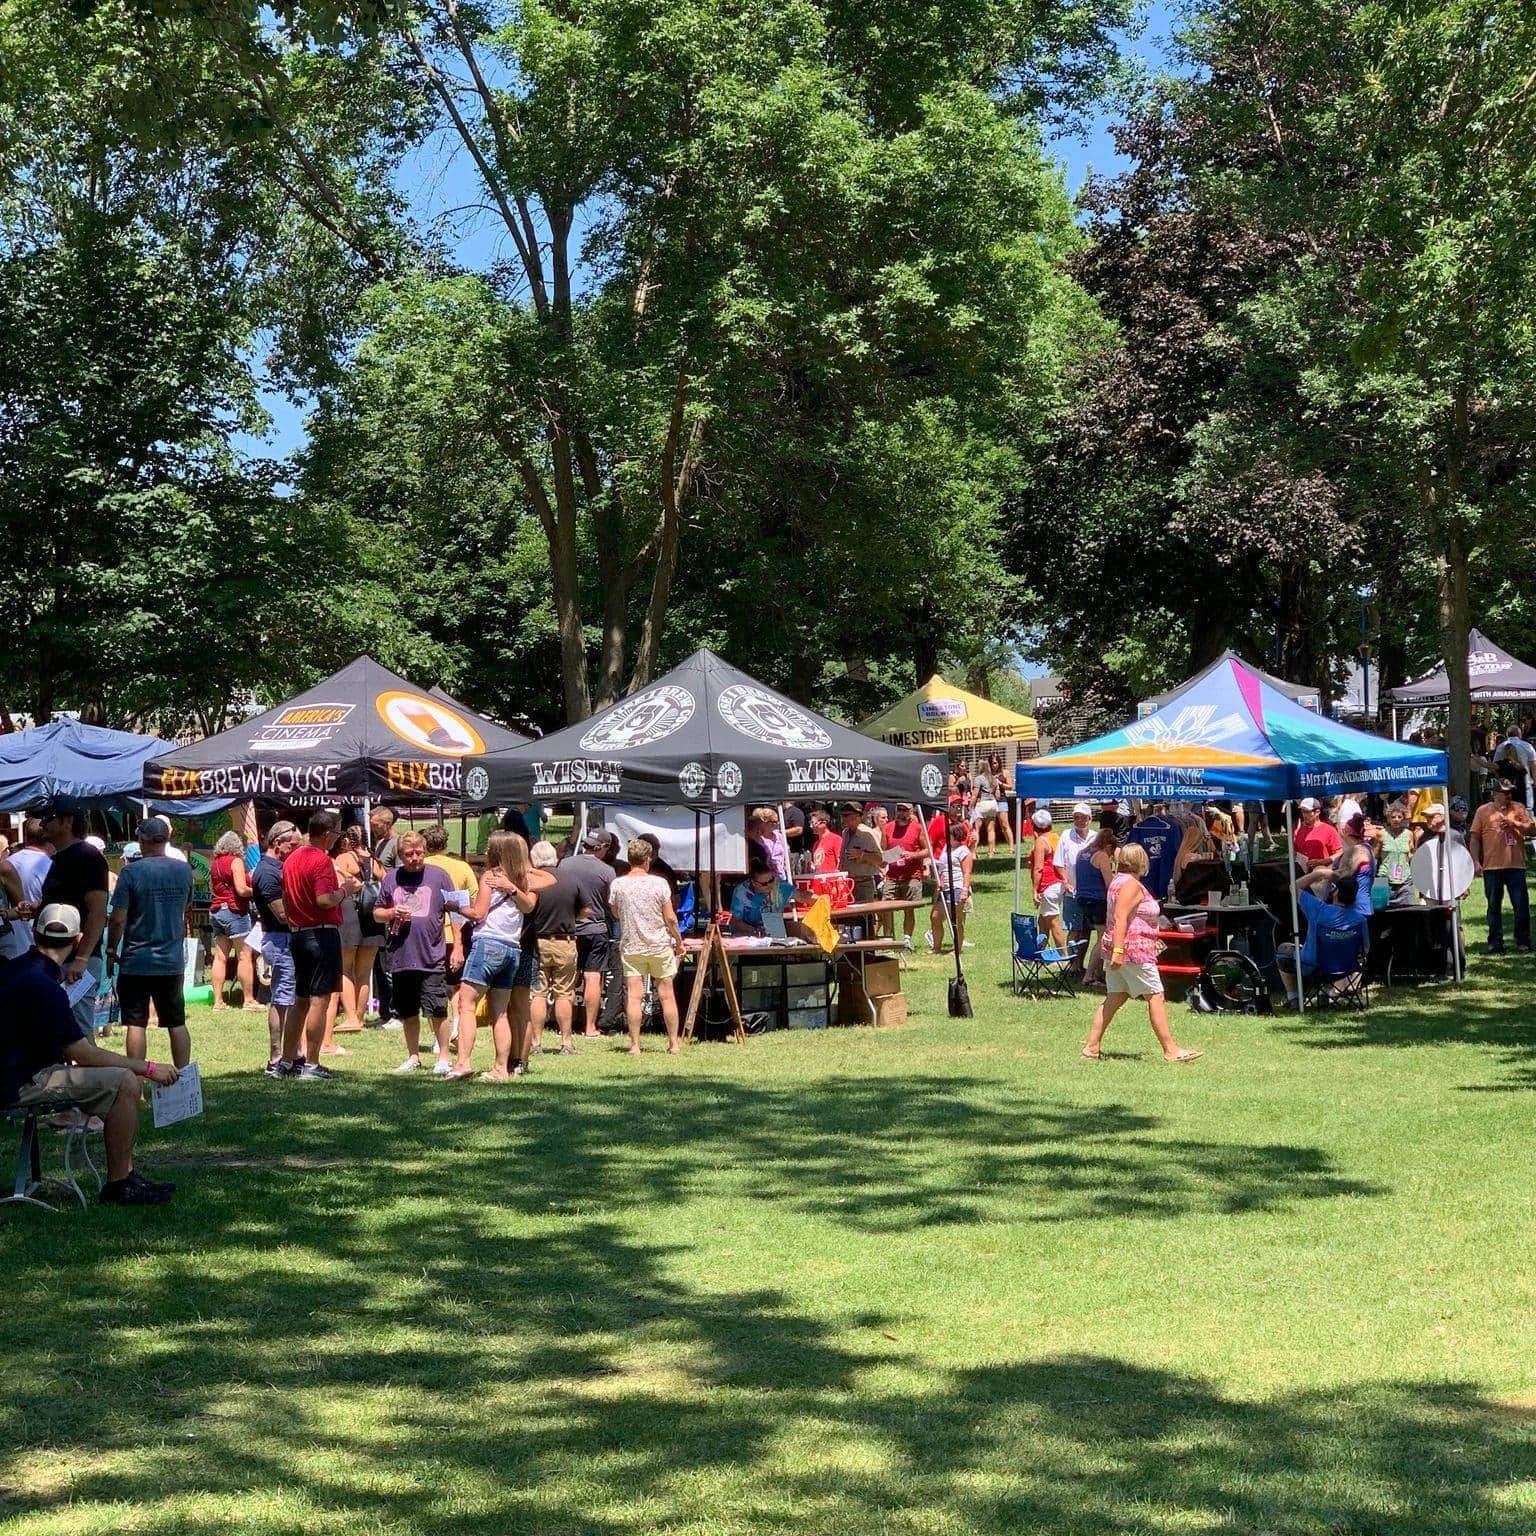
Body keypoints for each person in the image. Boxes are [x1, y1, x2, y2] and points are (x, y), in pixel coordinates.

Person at [0, 903, 181, 1205]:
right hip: (19, 1082)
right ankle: (119, 1184)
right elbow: (82, 1053)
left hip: (16, 1071)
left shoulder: (12, 969)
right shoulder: (46, 986)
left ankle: (126, 1175)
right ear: (78, 940)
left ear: (34, 933)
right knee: (125, 1081)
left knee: (121, 1080)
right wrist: (147, 1068)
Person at [1082, 845, 1202, 1063]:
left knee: (1115, 997)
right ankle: (1171, 1050)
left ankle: (1091, 1047)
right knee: (1156, 995)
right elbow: (1120, 917)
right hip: (1133, 950)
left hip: (1121, 949)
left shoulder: (1117, 882)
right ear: (1140, 861)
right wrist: (1119, 950)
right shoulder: (1131, 885)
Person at [455, 831, 551, 1079]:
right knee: (500, 1012)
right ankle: (501, 1068)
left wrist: (455, 906)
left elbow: (479, 914)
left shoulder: (491, 876)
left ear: (497, 851)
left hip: (488, 944)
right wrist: (515, 884)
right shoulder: (524, 880)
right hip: (512, 949)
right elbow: (535, 898)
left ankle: (463, 1063)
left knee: (466, 1004)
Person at [107, 817, 195, 1070]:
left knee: (136, 1023)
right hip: (171, 959)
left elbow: (118, 918)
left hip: (137, 959)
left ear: (142, 841)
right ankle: (183, 1075)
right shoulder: (183, 870)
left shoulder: (130, 872)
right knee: (176, 1022)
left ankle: (135, 1080)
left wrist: (112, 949)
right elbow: (187, 907)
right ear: (166, 839)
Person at [279, 809, 358, 1079]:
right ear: (326, 834)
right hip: (320, 934)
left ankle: (287, 1061)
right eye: (336, 834)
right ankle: (311, 1063)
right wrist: (347, 890)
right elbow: (324, 899)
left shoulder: (291, 859)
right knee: (319, 1001)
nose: (338, 839)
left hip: (298, 933)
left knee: (300, 1000)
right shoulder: (321, 861)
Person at [377, 831, 458, 1075]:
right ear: (400, 856)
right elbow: (376, 912)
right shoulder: (391, 878)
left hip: (431, 954)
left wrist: (459, 947)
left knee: (437, 1008)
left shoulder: (439, 876)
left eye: (419, 853)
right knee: (407, 1010)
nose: (415, 858)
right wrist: (392, 913)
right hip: (401, 955)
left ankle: (444, 1056)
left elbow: (455, 910)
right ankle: (413, 1056)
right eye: (409, 854)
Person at [38, 802, 111, 1039]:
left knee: (79, 1034)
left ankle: (98, 1076)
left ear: (67, 822)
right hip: (59, 959)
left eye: (48, 818)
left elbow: (98, 913)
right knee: (59, 1030)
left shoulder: (88, 857)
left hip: (77, 962)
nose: (42, 824)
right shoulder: (59, 858)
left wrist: (82, 958)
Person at [607, 837, 684, 1055]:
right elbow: (670, 918)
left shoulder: (618, 884)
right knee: (667, 995)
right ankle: (673, 1044)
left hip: (632, 945)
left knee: (634, 995)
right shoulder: (660, 883)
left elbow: (615, 913)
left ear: (629, 859)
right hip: (659, 944)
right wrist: (678, 941)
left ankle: (634, 1045)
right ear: (648, 860)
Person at [251, 821, 301, 1076]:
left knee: (293, 999)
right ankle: (276, 1058)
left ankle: (295, 1053)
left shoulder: (280, 867)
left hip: (287, 940)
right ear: (277, 843)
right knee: (282, 998)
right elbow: (283, 915)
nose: (296, 850)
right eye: (293, 845)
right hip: (280, 940)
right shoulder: (267, 872)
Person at [1280, 867, 1371, 1005]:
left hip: (1313, 966)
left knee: (1283, 950)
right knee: (1341, 952)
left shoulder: (1318, 909)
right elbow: (1365, 948)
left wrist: (1320, 873)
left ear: (1336, 892)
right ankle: (1325, 991)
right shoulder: (1360, 920)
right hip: (1345, 968)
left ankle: (1293, 997)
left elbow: (1294, 887)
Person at [525, 839, 581, 1055]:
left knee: (537, 993)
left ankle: (536, 1043)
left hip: (536, 941)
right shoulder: (570, 879)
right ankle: (566, 1043)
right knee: (564, 992)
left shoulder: (530, 880)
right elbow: (586, 910)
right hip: (564, 941)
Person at [423, 823, 478, 1036]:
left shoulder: (421, 866)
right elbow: (473, 898)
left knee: (431, 986)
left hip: (429, 934)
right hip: (458, 932)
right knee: (455, 985)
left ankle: (439, 1035)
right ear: (446, 843)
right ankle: (456, 1025)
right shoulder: (462, 867)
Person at [562, 828, 617, 1039]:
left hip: (569, 929)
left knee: (568, 978)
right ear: (601, 847)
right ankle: (590, 1027)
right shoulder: (607, 871)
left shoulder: (565, 864)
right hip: (596, 929)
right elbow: (610, 904)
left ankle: (566, 1027)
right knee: (593, 977)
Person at [1469, 779, 1534, 954]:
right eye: (1505, 792)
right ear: (1495, 794)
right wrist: (1475, 861)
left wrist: (1516, 824)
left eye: (1510, 792)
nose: (1508, 796)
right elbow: (1475, 838)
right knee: (1493, 906)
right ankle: (1495, 943)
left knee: (1521, 905)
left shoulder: (1518, 808)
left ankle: (1523, 941)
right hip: (1492, 867)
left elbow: (1532, 829)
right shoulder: (1483, 811)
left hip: (1516, 865)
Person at [331, 823, 382, 1041]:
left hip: (350, 912)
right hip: (373, 916)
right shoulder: (374, 861)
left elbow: (340, 886)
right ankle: (360, 1017)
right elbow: (385, 879)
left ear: (345, 840)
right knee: (364, 971)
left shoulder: (342, 860)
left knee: (345, 969)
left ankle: (351, 1017)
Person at [208, 830, 259, 1012]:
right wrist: (257, 890)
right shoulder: (235, 861)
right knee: (244, 956)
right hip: (234, 911)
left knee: (220, 957)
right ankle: (248, 1000)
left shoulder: (215, 863)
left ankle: (218, 1002)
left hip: (216, 911)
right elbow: (241, 889)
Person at [1074, 826, 1119, 984]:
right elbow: (1110, 884)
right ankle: (1089, 976)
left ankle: (1096, 974)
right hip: (1097, 900)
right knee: (1102, 938)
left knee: (1088, 936)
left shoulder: (1082, 853)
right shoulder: (1101, 856)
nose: (1111, 856)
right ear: (1108, 846)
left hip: (1081, 899)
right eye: (1112, 852)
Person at [2, 818, 51, 958]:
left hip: (12, 947)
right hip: (38, 949)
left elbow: (20, 910)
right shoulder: (53, 867)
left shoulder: (6, 866)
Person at [880, 803, 926, 949]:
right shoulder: (887, 828)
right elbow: (883, 850)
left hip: (912, 875)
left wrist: (913, 855)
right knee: (885, 906)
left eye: (905, 811)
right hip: (892, 875)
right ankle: (888, 939)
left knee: (909, 908)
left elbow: (927, 850)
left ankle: (907, 940)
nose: (902, 814)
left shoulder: (918, 828)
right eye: (899, 810)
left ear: (911, 812)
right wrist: (887, 857)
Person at [369, 805, 400, 1026]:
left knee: (390, 964)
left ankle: (396, 1012)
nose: (372, 829)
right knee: (380, 964)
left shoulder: (397, 844)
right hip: (380, 908)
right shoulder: (380, 843)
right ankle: (385, 1012)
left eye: (375, 825)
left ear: (386, 824)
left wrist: (377, 868)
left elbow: (399, 877)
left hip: (393, 910)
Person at [929, 819, 975, 955]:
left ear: (956, 834)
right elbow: (943, 867)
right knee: (935, 917)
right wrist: (940, 880)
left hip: (957, 887)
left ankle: (957, 949)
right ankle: (937, 948)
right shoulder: (946, 848)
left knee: (956, 919)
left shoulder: (963, 851)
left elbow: (967, 872)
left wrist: (965, 891)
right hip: (945, 888)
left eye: (949, 834)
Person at [1053, 802, 1096, 943]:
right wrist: (1065, 882)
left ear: (1090, 819)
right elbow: (1059, 863)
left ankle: (1079, 964)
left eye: (1083, 817)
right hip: (1072, 891)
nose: (1080, 821)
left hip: (1091, 892)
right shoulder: (1066, 835)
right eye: (1076, 817)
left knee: (1087, 930)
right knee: (1073, 929)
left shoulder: (1096, 837)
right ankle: (1071, 963)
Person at [1029, 809, 1068, 949]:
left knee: (1053, 922)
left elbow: (1039, 868)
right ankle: (1040, 952)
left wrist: (1035, 890)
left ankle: (1063, 957)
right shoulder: (1055, 837)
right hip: (1059, 884)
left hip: (1048, 885)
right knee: (1043, 921)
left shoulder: (1041, 842)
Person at [1372, 801, 1418, 907]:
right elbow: (1375, 856)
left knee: (1410, 910)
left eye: (1399, 817)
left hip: (1405, 879)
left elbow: (1410, 856)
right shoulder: (1381, 834)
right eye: (1393, 817)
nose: (1396, 819)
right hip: (1385, 879)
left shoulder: (1409, 834)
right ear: (1388, 819)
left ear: (1403, 818)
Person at [838, 802, 884, 902]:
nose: (844, 818)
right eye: (842, 815)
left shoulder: (867, 833)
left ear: (859, 816)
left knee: (864, 916)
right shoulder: (845, 832)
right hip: (848, 882)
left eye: (847, 815)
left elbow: (880, 859)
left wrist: (861, 854)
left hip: (864, 883)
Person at [1333, 813, 1375, 917]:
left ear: (1345, 832)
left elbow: (1341, 877)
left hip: (1352, 909)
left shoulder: (1354, 851)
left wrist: (1320, 874)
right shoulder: (1368, 849)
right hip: (1366, 907)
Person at [1493, 727, 1536, 810]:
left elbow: (1495, 766)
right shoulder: (1527, 746)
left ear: (1507, 735)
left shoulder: (1501, 746)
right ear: (1519, 734)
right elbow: (1534, 765)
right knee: (1524, 807)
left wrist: (1499, 778)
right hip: (1524, 782)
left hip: (1506, 784)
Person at [971, 760, 1009, 854]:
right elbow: (998, 795)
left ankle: (974, 853)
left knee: (976, 829)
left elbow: (975, 795)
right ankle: (991, 852)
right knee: (991, 829)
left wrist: (971, 805)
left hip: (982, 803)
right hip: (993, 803)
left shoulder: (978, 778)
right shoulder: (993, 778)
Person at [1292, 797, 1342, 869]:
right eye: (1302, 811)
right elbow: (1295, 852)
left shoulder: (1329, 830)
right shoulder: (1299, 830)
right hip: (1302, 874)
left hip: (1323, 874)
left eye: (1307, 812)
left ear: (1317, 812)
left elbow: (1340, 853)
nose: (1304, 815)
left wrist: (1322, 862)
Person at [748, 807, 791, 881]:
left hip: (781, 876)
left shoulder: (779, 836)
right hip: (765, 879)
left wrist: (785, 865)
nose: (777, 823)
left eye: (778, 821)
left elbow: (787, 853)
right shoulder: (758, 839)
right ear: (765, 822)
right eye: (774, 821)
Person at [808, 809, 842, 875]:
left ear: (824, 823)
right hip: (819, 881)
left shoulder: (836, 839)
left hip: (831, 881)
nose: (811, 826)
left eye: (814, 823)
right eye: (810, 823)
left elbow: (840, 861)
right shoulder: (816, 844)